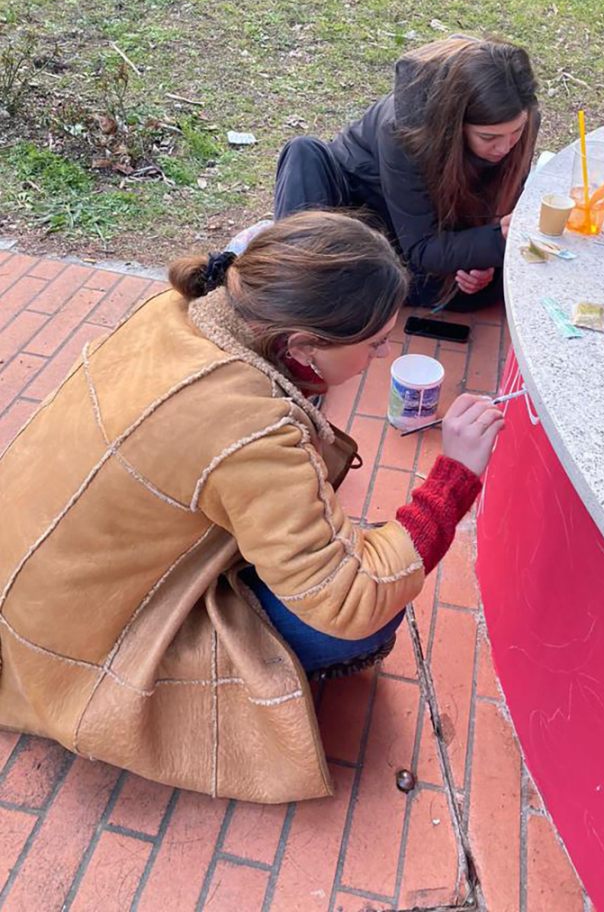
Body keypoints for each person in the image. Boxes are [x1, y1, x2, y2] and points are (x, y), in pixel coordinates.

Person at [0, 212, 504, 805]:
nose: (385, 351)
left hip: (30, 580)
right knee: (378, 611)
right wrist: (455, 477)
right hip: (74, 645)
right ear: (302, 346)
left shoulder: (179, 310)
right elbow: (351, 599)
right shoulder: (255, 431)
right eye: (373, 343)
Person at [274, 36, 540, 310]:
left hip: (422, 228)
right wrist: (497, 241)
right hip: (361, 208)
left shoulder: (523, 116)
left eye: (516, 132)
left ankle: (355, 289)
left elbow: (493, 206)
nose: (505, 147)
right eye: (488, 137)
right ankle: (305, 285)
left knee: (480, 292)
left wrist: (482, 260)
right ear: (454, 125)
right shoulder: (405, 131)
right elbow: (422, 248)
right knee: (303, 151)